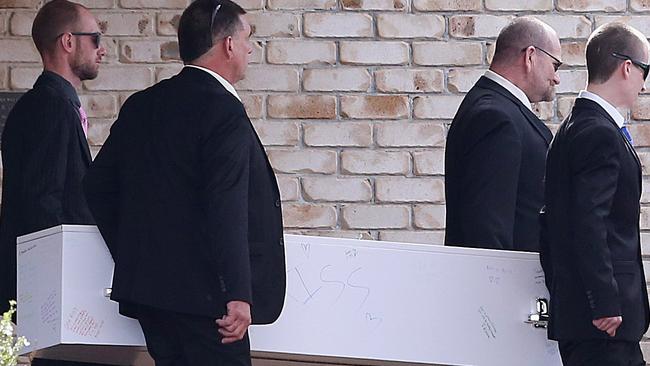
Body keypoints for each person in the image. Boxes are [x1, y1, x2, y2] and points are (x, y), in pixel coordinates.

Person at [83, 1, 286, 365]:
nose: (250, 49)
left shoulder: (142, 105)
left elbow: (98, 188)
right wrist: (239, 295)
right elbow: (228, 206)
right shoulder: (223, 110)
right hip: (211, 304)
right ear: (227, 45)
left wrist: (139, 254)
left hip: (152, 299)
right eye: (247, 38)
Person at [0, 1, 107, 365]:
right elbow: (41, 207)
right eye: (94, 38)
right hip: (52, 301)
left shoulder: (50, 105)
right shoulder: (50, 107)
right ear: (67, 42)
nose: (102, 48)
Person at [540, 22, 650, 366]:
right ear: (627, 67)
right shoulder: (598, 132)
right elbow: (588, 221)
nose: (644, 84)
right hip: (604, 325)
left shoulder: (575, 126)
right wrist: (603, 301)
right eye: (645, 71)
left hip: (590, 322)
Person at [444, 17, 560, 252]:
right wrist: (497, 287)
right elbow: (486, 228)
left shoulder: (494, 108)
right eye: (555, 65)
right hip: (507, 284)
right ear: (530, 56)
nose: (556, 78)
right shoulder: (496, 117)